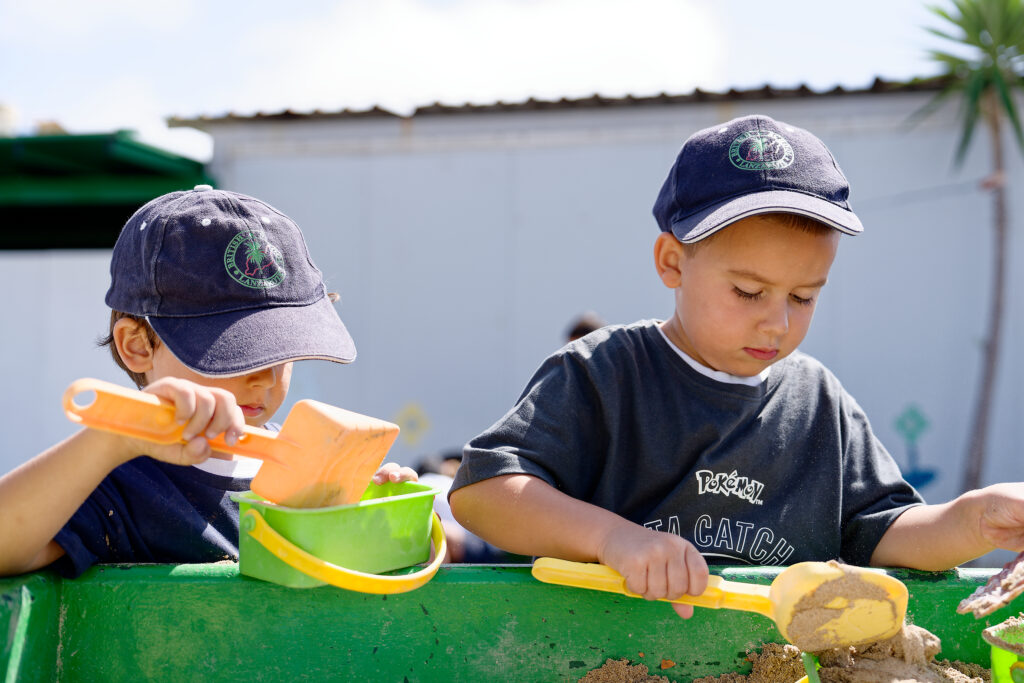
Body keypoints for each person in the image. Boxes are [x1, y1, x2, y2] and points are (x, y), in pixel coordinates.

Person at [449, 114, 1024, 620]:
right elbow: (482, 493)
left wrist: (974, 519)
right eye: (749, 291)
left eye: (803, 297)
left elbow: (886, 534)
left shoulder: (819, 403)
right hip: (600, 655)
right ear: (672, 262)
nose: (777, 323)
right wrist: (611, 539)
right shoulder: (603, 373)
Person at [0, 185, 416, 578]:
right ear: (139, 347)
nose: (265, 376)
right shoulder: (117, 481)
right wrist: (110, 440)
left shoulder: (307, 470)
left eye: (284, 349)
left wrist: (384, 515)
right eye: (235, 350)